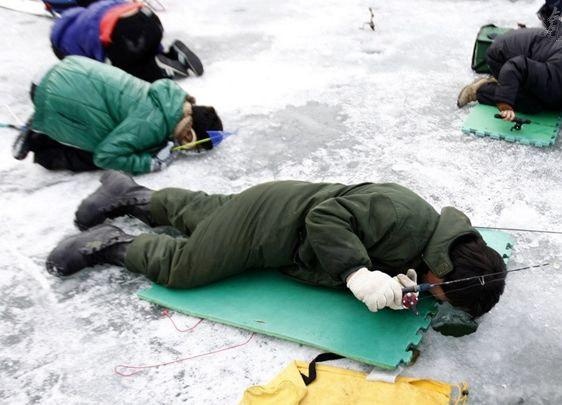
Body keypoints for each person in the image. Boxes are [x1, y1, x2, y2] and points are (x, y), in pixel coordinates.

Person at [47, 171, 507, 318]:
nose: (433, 298)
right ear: (443, 269)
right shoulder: (404, 216)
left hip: (278, 206)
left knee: (203, 212)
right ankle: (109, 242)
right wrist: (358, 273)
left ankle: (130, 195)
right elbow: (325, 218)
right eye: (440, 293)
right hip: (273, 226)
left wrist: (394, 274)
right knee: (185, 266)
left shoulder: (424, 241)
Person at [11, 56, 222, 174]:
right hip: (51, 94)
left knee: (115, 127)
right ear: (189, 134)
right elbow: (105, 155)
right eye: (194, 148)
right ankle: (38, 141)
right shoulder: (155, 124)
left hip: (65, 70)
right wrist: (149, 163)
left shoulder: (169, 100)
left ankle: (43, 125)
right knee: (96, 156)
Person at [50, 0, 203, 82]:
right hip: (148, 17)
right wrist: (157, 49)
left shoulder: (70, 42)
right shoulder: (88, 14)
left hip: (123, 31)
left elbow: (102, 68)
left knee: (127, 76)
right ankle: (173, 53)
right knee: (142, 48)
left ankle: (158, 69)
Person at [456, 23, 562, 121]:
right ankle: (480, 90)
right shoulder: (554, 76)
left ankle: (503, 80)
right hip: (501, 57)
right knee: (533, 104)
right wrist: (505, 103)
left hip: (521, 51)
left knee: (552, 100)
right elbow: (514, 66)